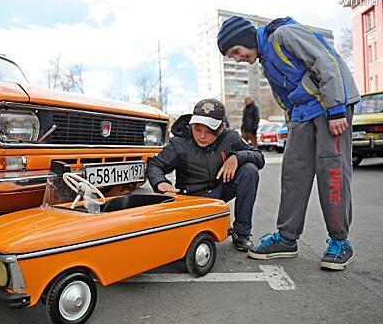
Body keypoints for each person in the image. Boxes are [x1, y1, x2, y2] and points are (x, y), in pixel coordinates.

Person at [217, 16, 360, 270]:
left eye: (236, 52)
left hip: (329, 106)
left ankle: (340, 242)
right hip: (302, 114)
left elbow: (325, 61)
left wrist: (336, 109)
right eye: (232, 57)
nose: (237, 59)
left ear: (246, 38)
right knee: (293, 171)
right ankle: (287, 238)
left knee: (332, 170)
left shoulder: (284, 35)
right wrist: (292, 121)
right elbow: (285, 97)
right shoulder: (265, 61)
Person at [146, 98, 265, 251]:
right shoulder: (179, 143)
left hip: (219, 190)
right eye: (197, 129)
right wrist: (160, 182)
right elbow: (155, 165)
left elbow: (259, 157)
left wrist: (237, 157)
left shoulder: (231, 138)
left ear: (221, 127)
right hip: (192, 198)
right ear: (191, 124)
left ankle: (241, 233)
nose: (202, 136)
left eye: (209, 131)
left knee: (249, 170)